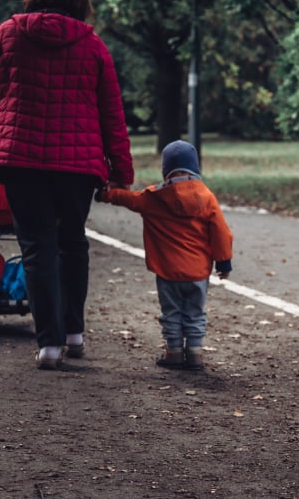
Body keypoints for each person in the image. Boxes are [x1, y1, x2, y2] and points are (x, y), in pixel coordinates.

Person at [0, 0, 134, 370]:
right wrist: (121, 171)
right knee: (72, 242)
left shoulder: (10, 32)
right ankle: (74, 333)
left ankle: (49, 345)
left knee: (37, 247)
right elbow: (112, 114)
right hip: (78, 166)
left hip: (21, 160)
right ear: (80, 1)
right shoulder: (94, 46)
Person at [96, 140, 233, 370]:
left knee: (171, 312)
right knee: (195, 312)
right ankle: (196, 353)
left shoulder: (152, 198)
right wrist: (224, 262)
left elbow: (127, 199)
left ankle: (174, 352)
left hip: (167, 271)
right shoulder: (207, 197)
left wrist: (105, 195)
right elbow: (220, 231)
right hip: (197, 273)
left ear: (165, 169)